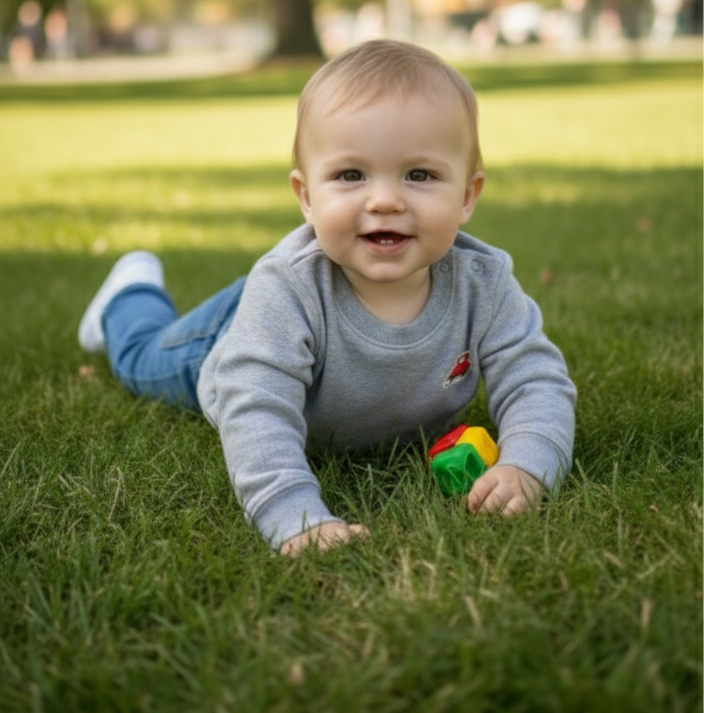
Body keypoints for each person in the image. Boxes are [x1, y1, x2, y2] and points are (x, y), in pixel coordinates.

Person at [78, 40, 576, 556]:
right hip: (236, 340)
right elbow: (257, 412)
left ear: (467, 195)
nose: (385, 200)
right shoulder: (287, 291)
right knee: (140, 358)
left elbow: (535, 379)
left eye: (419, 175)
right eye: (351, 175)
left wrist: (528, 464)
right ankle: (128, 292)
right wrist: (296, 518)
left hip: (287, 321)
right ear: (307, 197)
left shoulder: (484, 285)